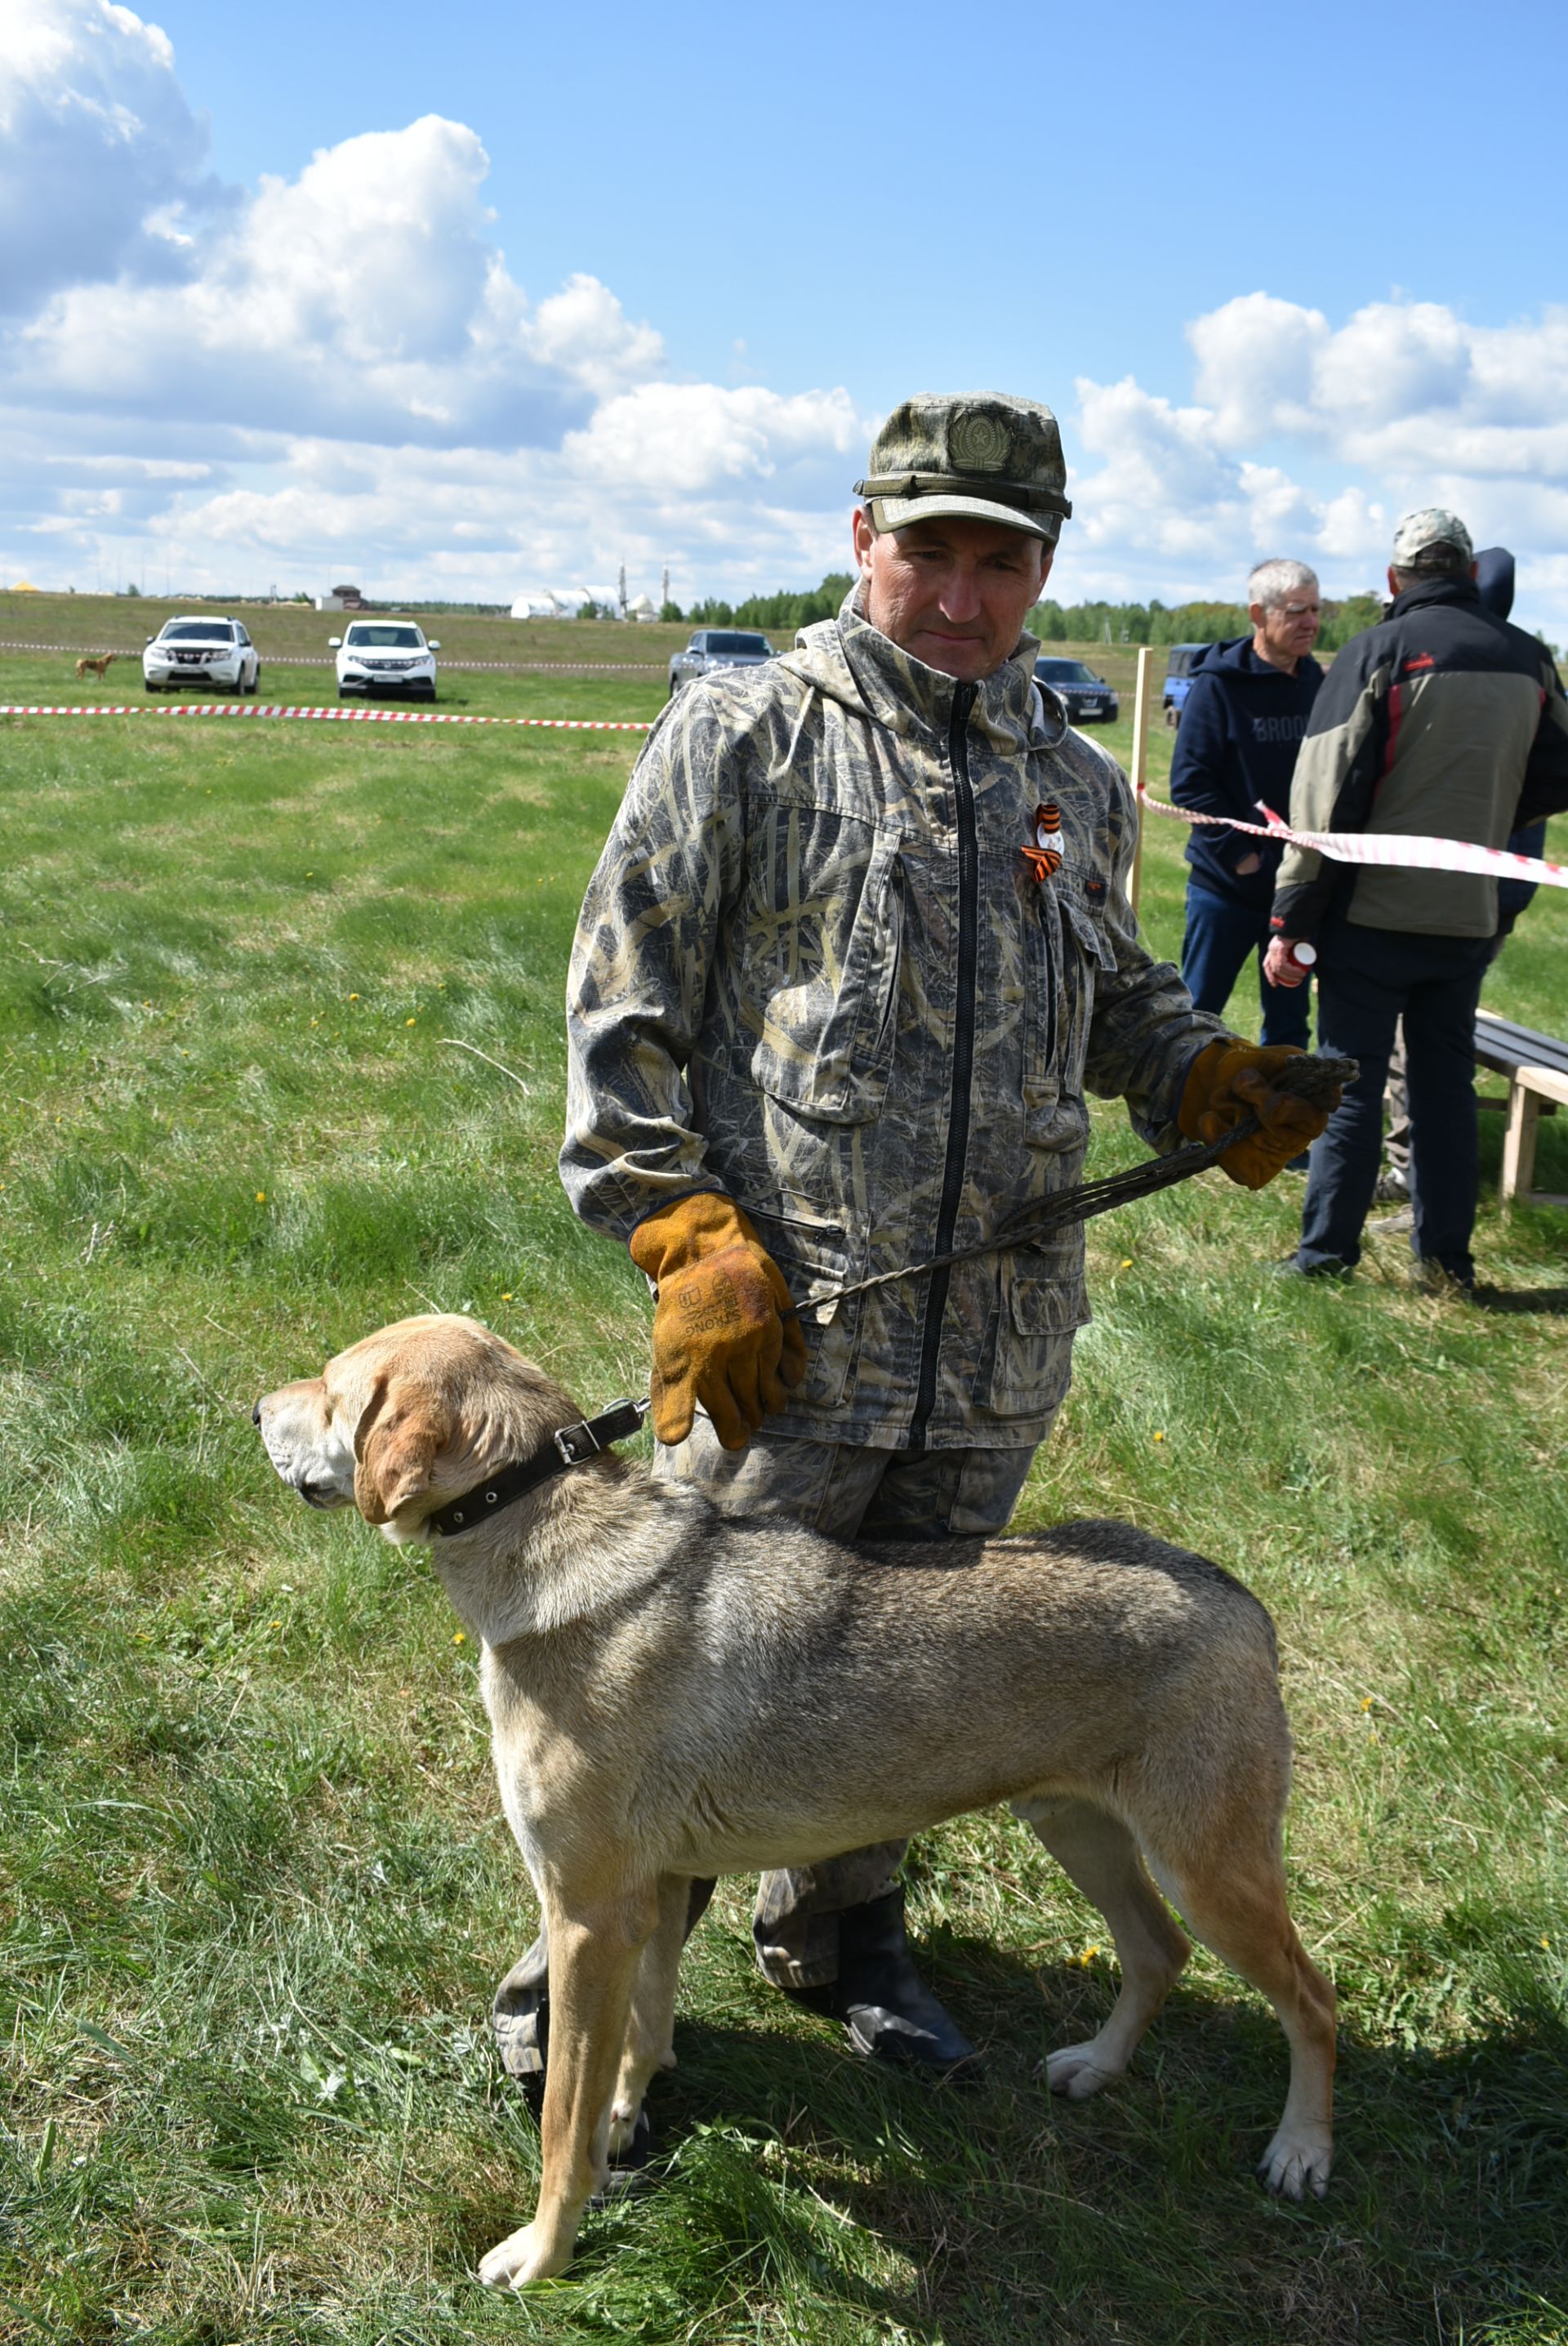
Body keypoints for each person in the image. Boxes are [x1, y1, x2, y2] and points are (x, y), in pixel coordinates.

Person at [493, 392, 1334, 2095]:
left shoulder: (1072, 777)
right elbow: (619, 1020)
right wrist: (686, 1238)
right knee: (676, 1678)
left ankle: (843, 1932)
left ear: (1045, 567)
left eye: (1002, 556)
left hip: (997, 1341)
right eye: (929, 547)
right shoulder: (742, 734)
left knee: (910, 1692)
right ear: (862, 537)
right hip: (783, 1335)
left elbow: (1114, 998)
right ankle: (580, 1995)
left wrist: (1208, 1075)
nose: (962, 590)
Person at [1266, 510, 1568, 1288]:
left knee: (1347, 1082)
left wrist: (1292, 920)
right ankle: (1446, 1260)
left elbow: (1321, 801)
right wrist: (1493, 817)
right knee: (1446, 1089)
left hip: (1371, 919)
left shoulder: (1376, 650)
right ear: (1469, 573)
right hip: (1469, 920)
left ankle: (1326, 1255)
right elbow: (1557, 777)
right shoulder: (1532, 659)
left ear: (1396, 580)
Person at [1374, 546, 1549, 1216]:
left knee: (1415, 1049)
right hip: (1479, 900)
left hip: (1440, 901)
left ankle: (1413, 1175)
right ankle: (1419, 1177)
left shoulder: (1466, 665)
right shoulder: (1523, 662)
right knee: (1427, 1048)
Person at [1170, 560, 1324, 1050]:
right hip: (1226, 888)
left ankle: (1282, 1121)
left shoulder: (1315, 682)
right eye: (1298, 611)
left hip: (1294, 892)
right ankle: (1179, 1120)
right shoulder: (1217, 687)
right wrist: (1242, 855)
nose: (1311, 623)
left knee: (1289, 1020)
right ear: (1258, 614)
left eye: (1317, 610)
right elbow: (1191, 785)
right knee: (1197, 1016)